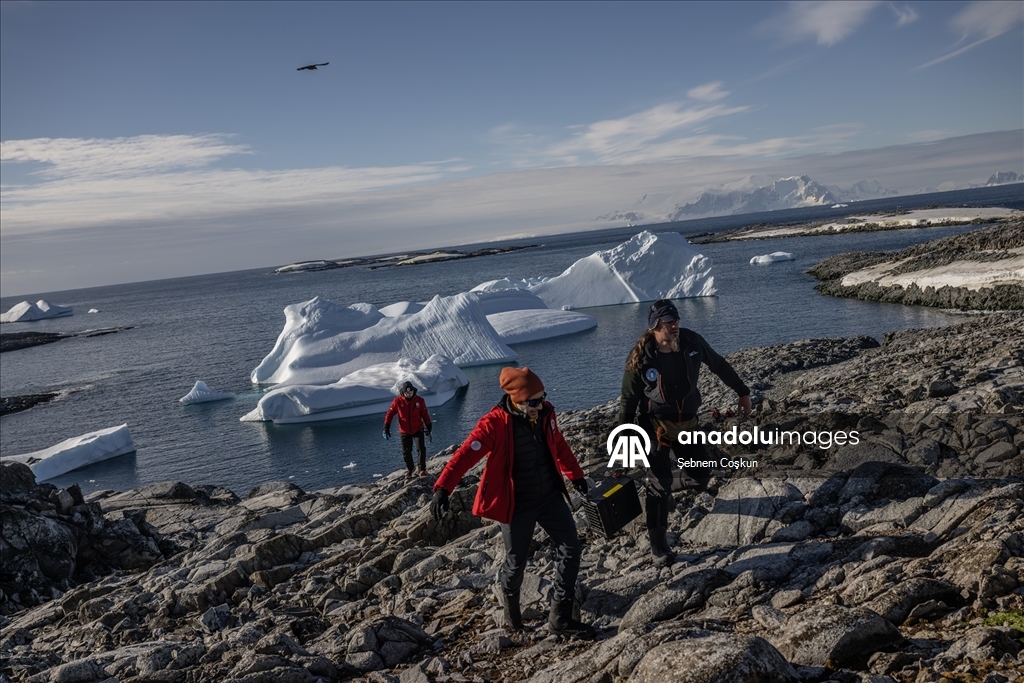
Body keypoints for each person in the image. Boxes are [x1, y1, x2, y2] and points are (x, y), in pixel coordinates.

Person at [430, 367, 595, 639]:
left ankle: (560, 619)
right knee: (517, 560)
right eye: (534, 401)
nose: (540, 405)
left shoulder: (545, 414)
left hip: (550, 496)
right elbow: (465, 455)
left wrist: (576, 476)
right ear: (516, 399)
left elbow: (560, 445)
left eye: (542, 398)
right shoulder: (494, 423)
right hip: (517, 505)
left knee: (571, 547)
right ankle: (512, 615)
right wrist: (443, 488)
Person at [618, 299, 751, 566]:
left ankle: (662, 486)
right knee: (658, 486)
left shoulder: (692, 343)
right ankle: (659, 547)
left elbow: (719, 365)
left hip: (688, 424)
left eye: (676, 319)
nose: (675, 325)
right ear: (655, 326)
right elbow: (628, 400)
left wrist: (743, 392)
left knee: (700, 478)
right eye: (669, 322)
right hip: (654, 427)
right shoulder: (641, 356)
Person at [384, 381, 433, 480]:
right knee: (406, 452)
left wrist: (428, 425)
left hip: (418, 428)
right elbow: (390, 413)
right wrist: (386, 427)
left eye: (410, 393)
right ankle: (410, 469)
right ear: (403, 392)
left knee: (421, 449)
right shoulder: (398, 401)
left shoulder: (420, 401)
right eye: (407, 393)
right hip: (404, 431)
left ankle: (422, 469)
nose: (409, 395)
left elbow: (424, 414)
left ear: (413, 391)